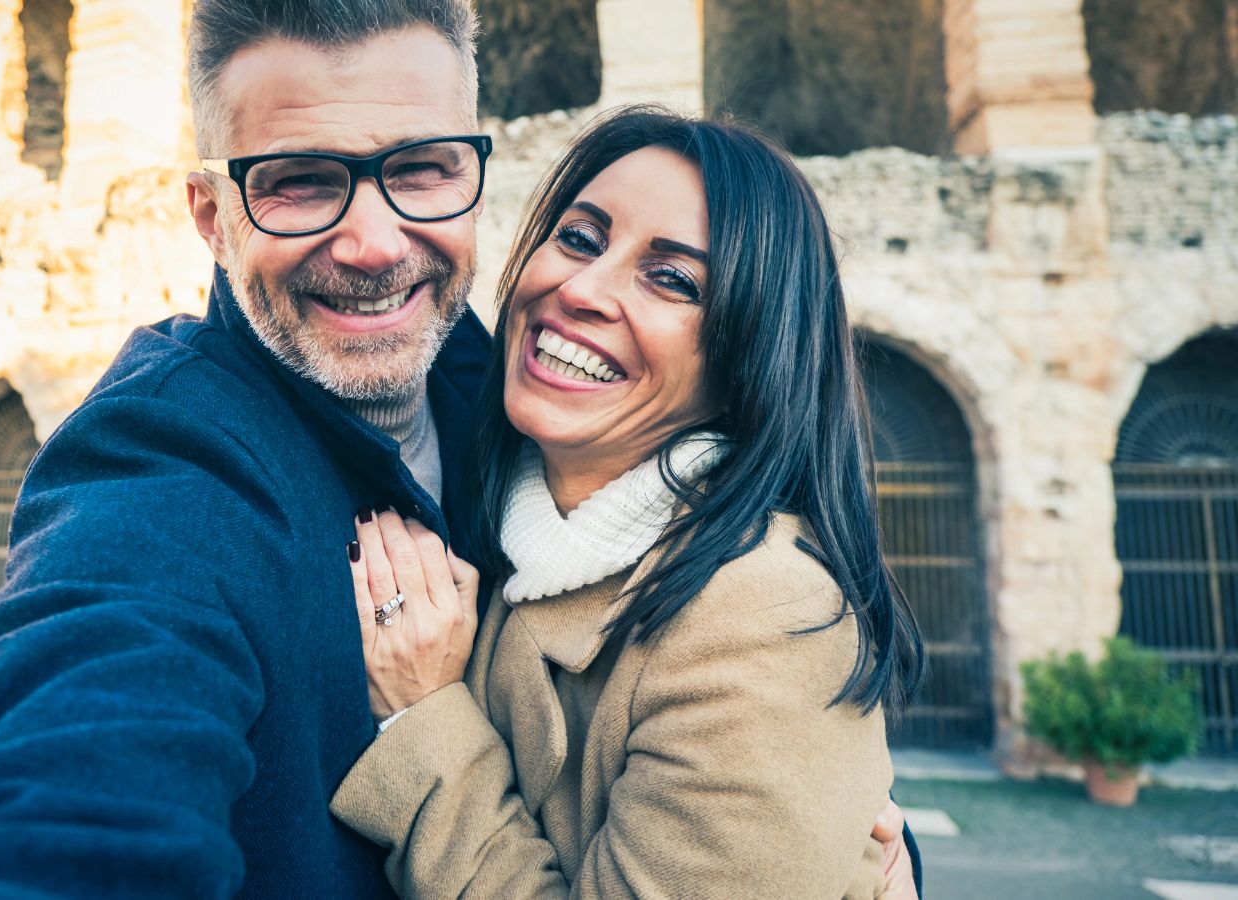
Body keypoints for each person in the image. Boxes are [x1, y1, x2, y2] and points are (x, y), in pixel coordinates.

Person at [0, 3, 919, 896]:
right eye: (299, 181)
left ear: (475, 178)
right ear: (210, 215)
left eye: (424, 169)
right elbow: (76, 762)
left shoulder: (493, 391)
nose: (374, 243)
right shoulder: (166, 466)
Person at [333, 108, 925, 898]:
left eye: (673, 279)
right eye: (579, 237)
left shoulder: (764, 617)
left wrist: (426, 714)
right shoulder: (508, 520)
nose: (581, 288)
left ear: (749, 354)